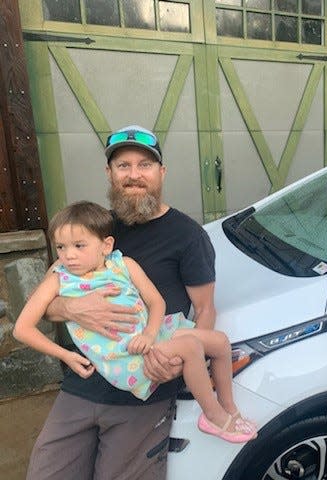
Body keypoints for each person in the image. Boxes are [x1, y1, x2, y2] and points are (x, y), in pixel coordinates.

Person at [25, 125, 217, 479]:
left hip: (144, 385)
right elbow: (48, 296)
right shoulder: (91, 229)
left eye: (144, 165)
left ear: (162, 172)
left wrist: (177, 364)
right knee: (46, 472)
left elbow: (205, 310)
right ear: (109, 174)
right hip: (83, 380)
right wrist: (69, 308)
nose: (133, 175)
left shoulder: (188, 236)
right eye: (123, 166)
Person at [14, 201, 257, 443]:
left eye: (79, 245)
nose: (69, 255)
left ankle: (229, 408)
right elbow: (22, 329)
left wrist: (151, 334)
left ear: (106, 245)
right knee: (192, 346)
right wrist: (64, 355)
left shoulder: (124, 264)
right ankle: (212, 416)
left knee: (220, 342)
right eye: (61, 247)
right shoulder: (59, 281)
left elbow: (157, 302)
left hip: (149, 335)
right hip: (123, 356)